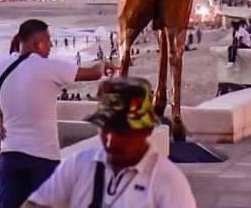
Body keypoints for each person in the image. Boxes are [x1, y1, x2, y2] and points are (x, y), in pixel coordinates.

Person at [0, 18, 116, 208]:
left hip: (10, 157)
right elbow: (94, 74)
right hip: (43, 158)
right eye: (48, 40)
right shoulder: (50, 67)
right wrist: (103, 64)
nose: (51, 45)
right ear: (37, 43)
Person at [26, 77, 197, 208]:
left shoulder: (168, 182)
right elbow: (37, 203)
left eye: (122, 131)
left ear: (146, 130)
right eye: (106, 128)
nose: (111, 140)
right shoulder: (79, 165)